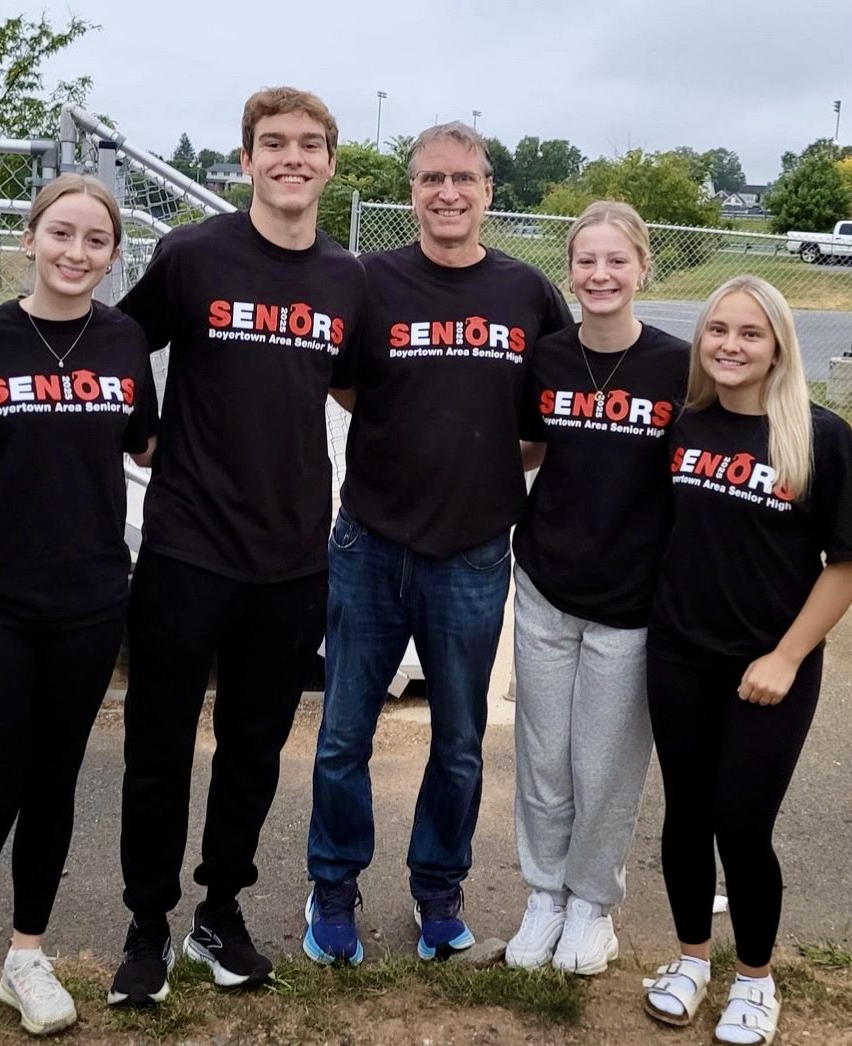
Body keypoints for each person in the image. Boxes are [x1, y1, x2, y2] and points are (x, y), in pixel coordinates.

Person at [106, 87, 365, 1005]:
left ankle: (220, 911)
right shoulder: (193, 254)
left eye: (308, 144)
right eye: (272, 143)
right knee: (159, 747)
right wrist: (140, 426)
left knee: (253, 747)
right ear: (246, 160)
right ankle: (146, 924)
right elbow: (117, 339)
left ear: (330, 163)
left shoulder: (346, 277)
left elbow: (359, 387)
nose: (291, 157)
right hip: (186, 547)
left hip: (294, 555)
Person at [304, 121, 572, 965]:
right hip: (370, 542)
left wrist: (483, 465)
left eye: (463, 178)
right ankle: (334, 888)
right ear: (410, 192)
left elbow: (543, 416)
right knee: (344, 735)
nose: (447, 193)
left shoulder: (526, 293)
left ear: (489, 191)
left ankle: (436, 893)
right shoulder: (367, 282)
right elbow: (346, 383)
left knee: (458, 740)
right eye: (430, 179)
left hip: (473, 554)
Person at [0, 174, 157, 1044]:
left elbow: (141, 443)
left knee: (54, 788)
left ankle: (27, 953)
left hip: (90, 600)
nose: (76, 252)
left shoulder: (126, 341)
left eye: (96, 241)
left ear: (112, 254)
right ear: (28, 238)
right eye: (61, 234)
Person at [640, 276, 852, 1045]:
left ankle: (756, 981)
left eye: (749, 333)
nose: (729, 346)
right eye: (716, 331)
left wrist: (787, 657)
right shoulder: (685, 425)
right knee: (684, 817)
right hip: (677, 656)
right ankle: (691, 961)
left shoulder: (820, 437)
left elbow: (846, 563)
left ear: (776, 348)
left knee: (741, 822)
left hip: (768, 671)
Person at [503, 201, 688, 975]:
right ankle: (543, 896)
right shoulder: (545, 358)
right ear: (569, 270)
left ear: (643, 266)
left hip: (632, 599)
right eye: (586, 261)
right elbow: (522, 452)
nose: (600, 275)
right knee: (543, 757)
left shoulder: (681, 365)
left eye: (616, 261)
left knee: (603, 765)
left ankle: (591, 905)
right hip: (547, 581)